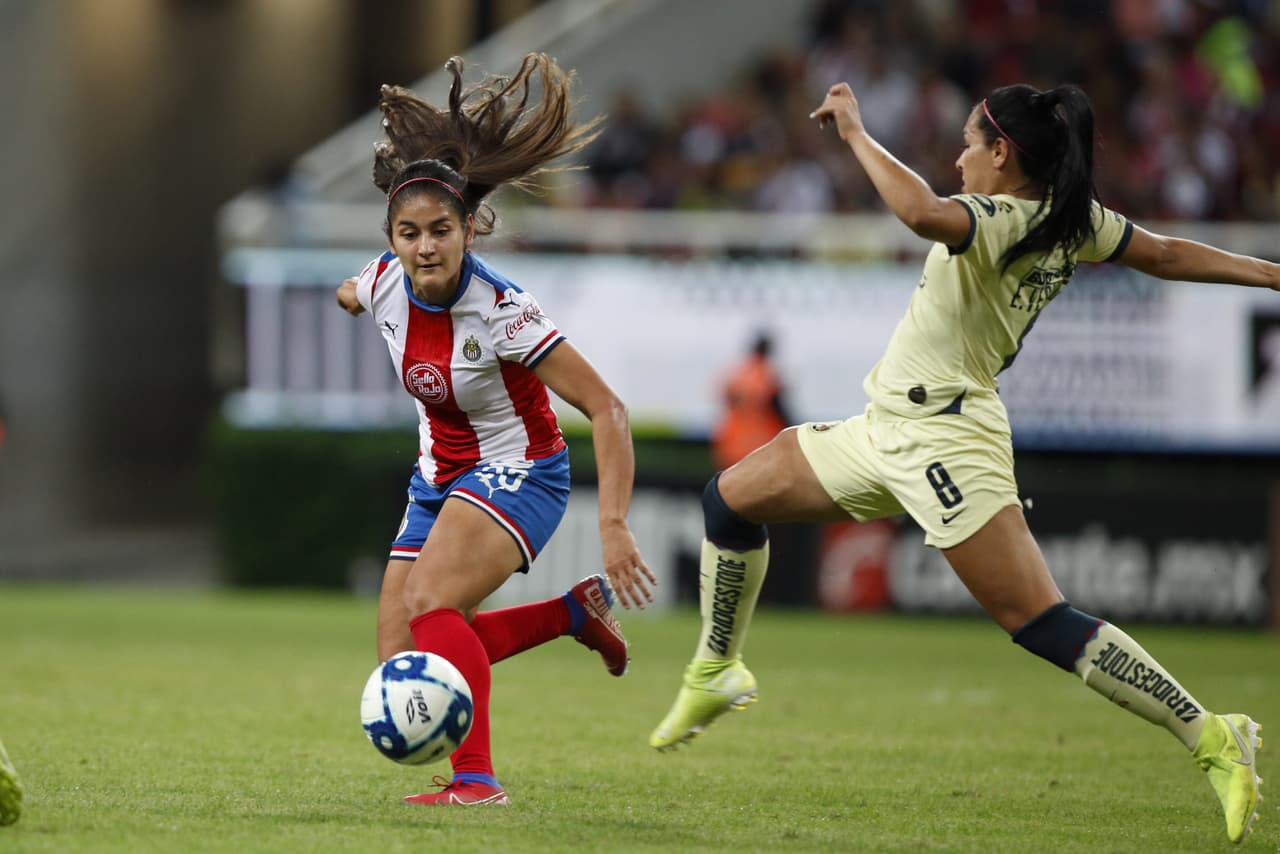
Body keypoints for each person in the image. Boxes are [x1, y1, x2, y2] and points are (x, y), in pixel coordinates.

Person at [649, 80, 1276, 844]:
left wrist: (852, 129)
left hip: (947, 438)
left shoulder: (1001, 218)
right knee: (730, 498)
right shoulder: (1076, 219)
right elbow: (1170, 253)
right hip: (887, 426)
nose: (958, 159)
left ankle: (1214, 736)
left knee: (1038, 620)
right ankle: (715, 672)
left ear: (1002, 154)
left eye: (969, 145)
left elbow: (916, 211)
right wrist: (1272, 274)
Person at [336, 53, 657, 807]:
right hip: (439, 479)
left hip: (523, 471)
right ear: (391, 237)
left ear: (468, 229)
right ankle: (570, 613)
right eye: (409, 233)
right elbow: (356, 288)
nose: (425, 247)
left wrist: (612, 523)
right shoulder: (384, 281)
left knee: (432, 605)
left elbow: (607, 408)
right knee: (402, 660)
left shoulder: (504, 310)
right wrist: (348, 294)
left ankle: (476, 783)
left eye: (440, 231)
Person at [710, 332, 791, 472]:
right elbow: (780, 412)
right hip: (759, 447)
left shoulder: (737, 373)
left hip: (731, 444)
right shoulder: (767, 376)